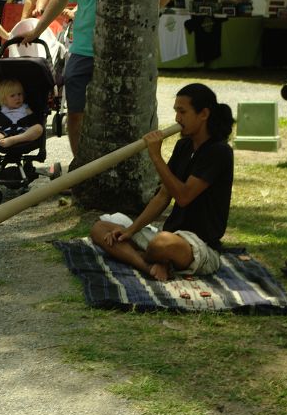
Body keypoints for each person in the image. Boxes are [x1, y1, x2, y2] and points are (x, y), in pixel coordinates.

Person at [21, 0, 178, 157]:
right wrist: (37, 30)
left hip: (121, 50)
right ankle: (80, 167)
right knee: (75, 111)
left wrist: (148, 14)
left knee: (118, 114)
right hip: (82, 47)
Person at [90, 83, 234, 281]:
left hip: (200, 246)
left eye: (182, 112)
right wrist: (130, 231)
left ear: (204, 114)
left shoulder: (219, 152)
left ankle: (150, 258)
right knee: (100, 228)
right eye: (176, 111)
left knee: (161, 244)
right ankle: (150, 265)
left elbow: (183, 197)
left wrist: (156, 157)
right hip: (170, 233)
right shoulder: (184, 146)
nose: (177, 119)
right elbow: (163, 196)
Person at [0, 79, 43, 180]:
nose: (17, 98)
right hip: (4, 133)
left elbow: (34, 121)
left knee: (38, 128)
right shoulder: (0, 110)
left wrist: (32, 118)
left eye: (20, 94)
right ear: (4, 100)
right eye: (12, 96)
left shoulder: (26, 108)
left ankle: (14, 139)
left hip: (23, 132)